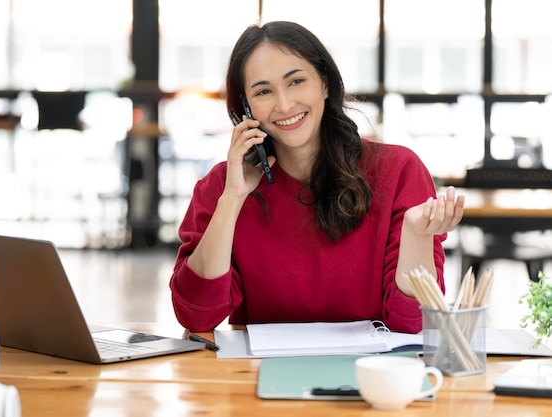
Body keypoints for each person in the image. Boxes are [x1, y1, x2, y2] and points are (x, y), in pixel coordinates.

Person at [169, 21, 464, 334]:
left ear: (325, 84)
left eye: (296, 81)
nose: (284, 105)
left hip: (370, 375)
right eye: (264, 91)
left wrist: (416, 234)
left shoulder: (398, 170)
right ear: (246, 107)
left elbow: (413, 323)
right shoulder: (223, 185)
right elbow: (196, 316)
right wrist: (231, 201)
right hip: (259, 376)